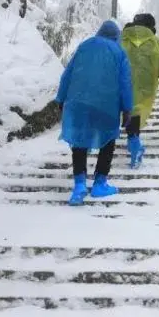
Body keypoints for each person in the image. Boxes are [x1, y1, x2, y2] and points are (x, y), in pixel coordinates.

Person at [54, 20, 133, 206]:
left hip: (79, 100)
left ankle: (79, 185)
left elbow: (68, 73)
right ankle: (100, 183)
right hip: (107, 102)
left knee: (79, 141)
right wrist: (127, 108)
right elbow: (125, 83)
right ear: (116, 36)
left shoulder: (85, 45)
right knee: (108, 141)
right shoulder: (119, 52)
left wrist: (61, 98)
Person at [121, 13, 159, 168]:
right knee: (136, 113)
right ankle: (135, 148)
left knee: (129, 112)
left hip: (124, 84)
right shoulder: (155, 42)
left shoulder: (122, 39)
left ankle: (134, 145)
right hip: (147, 86)